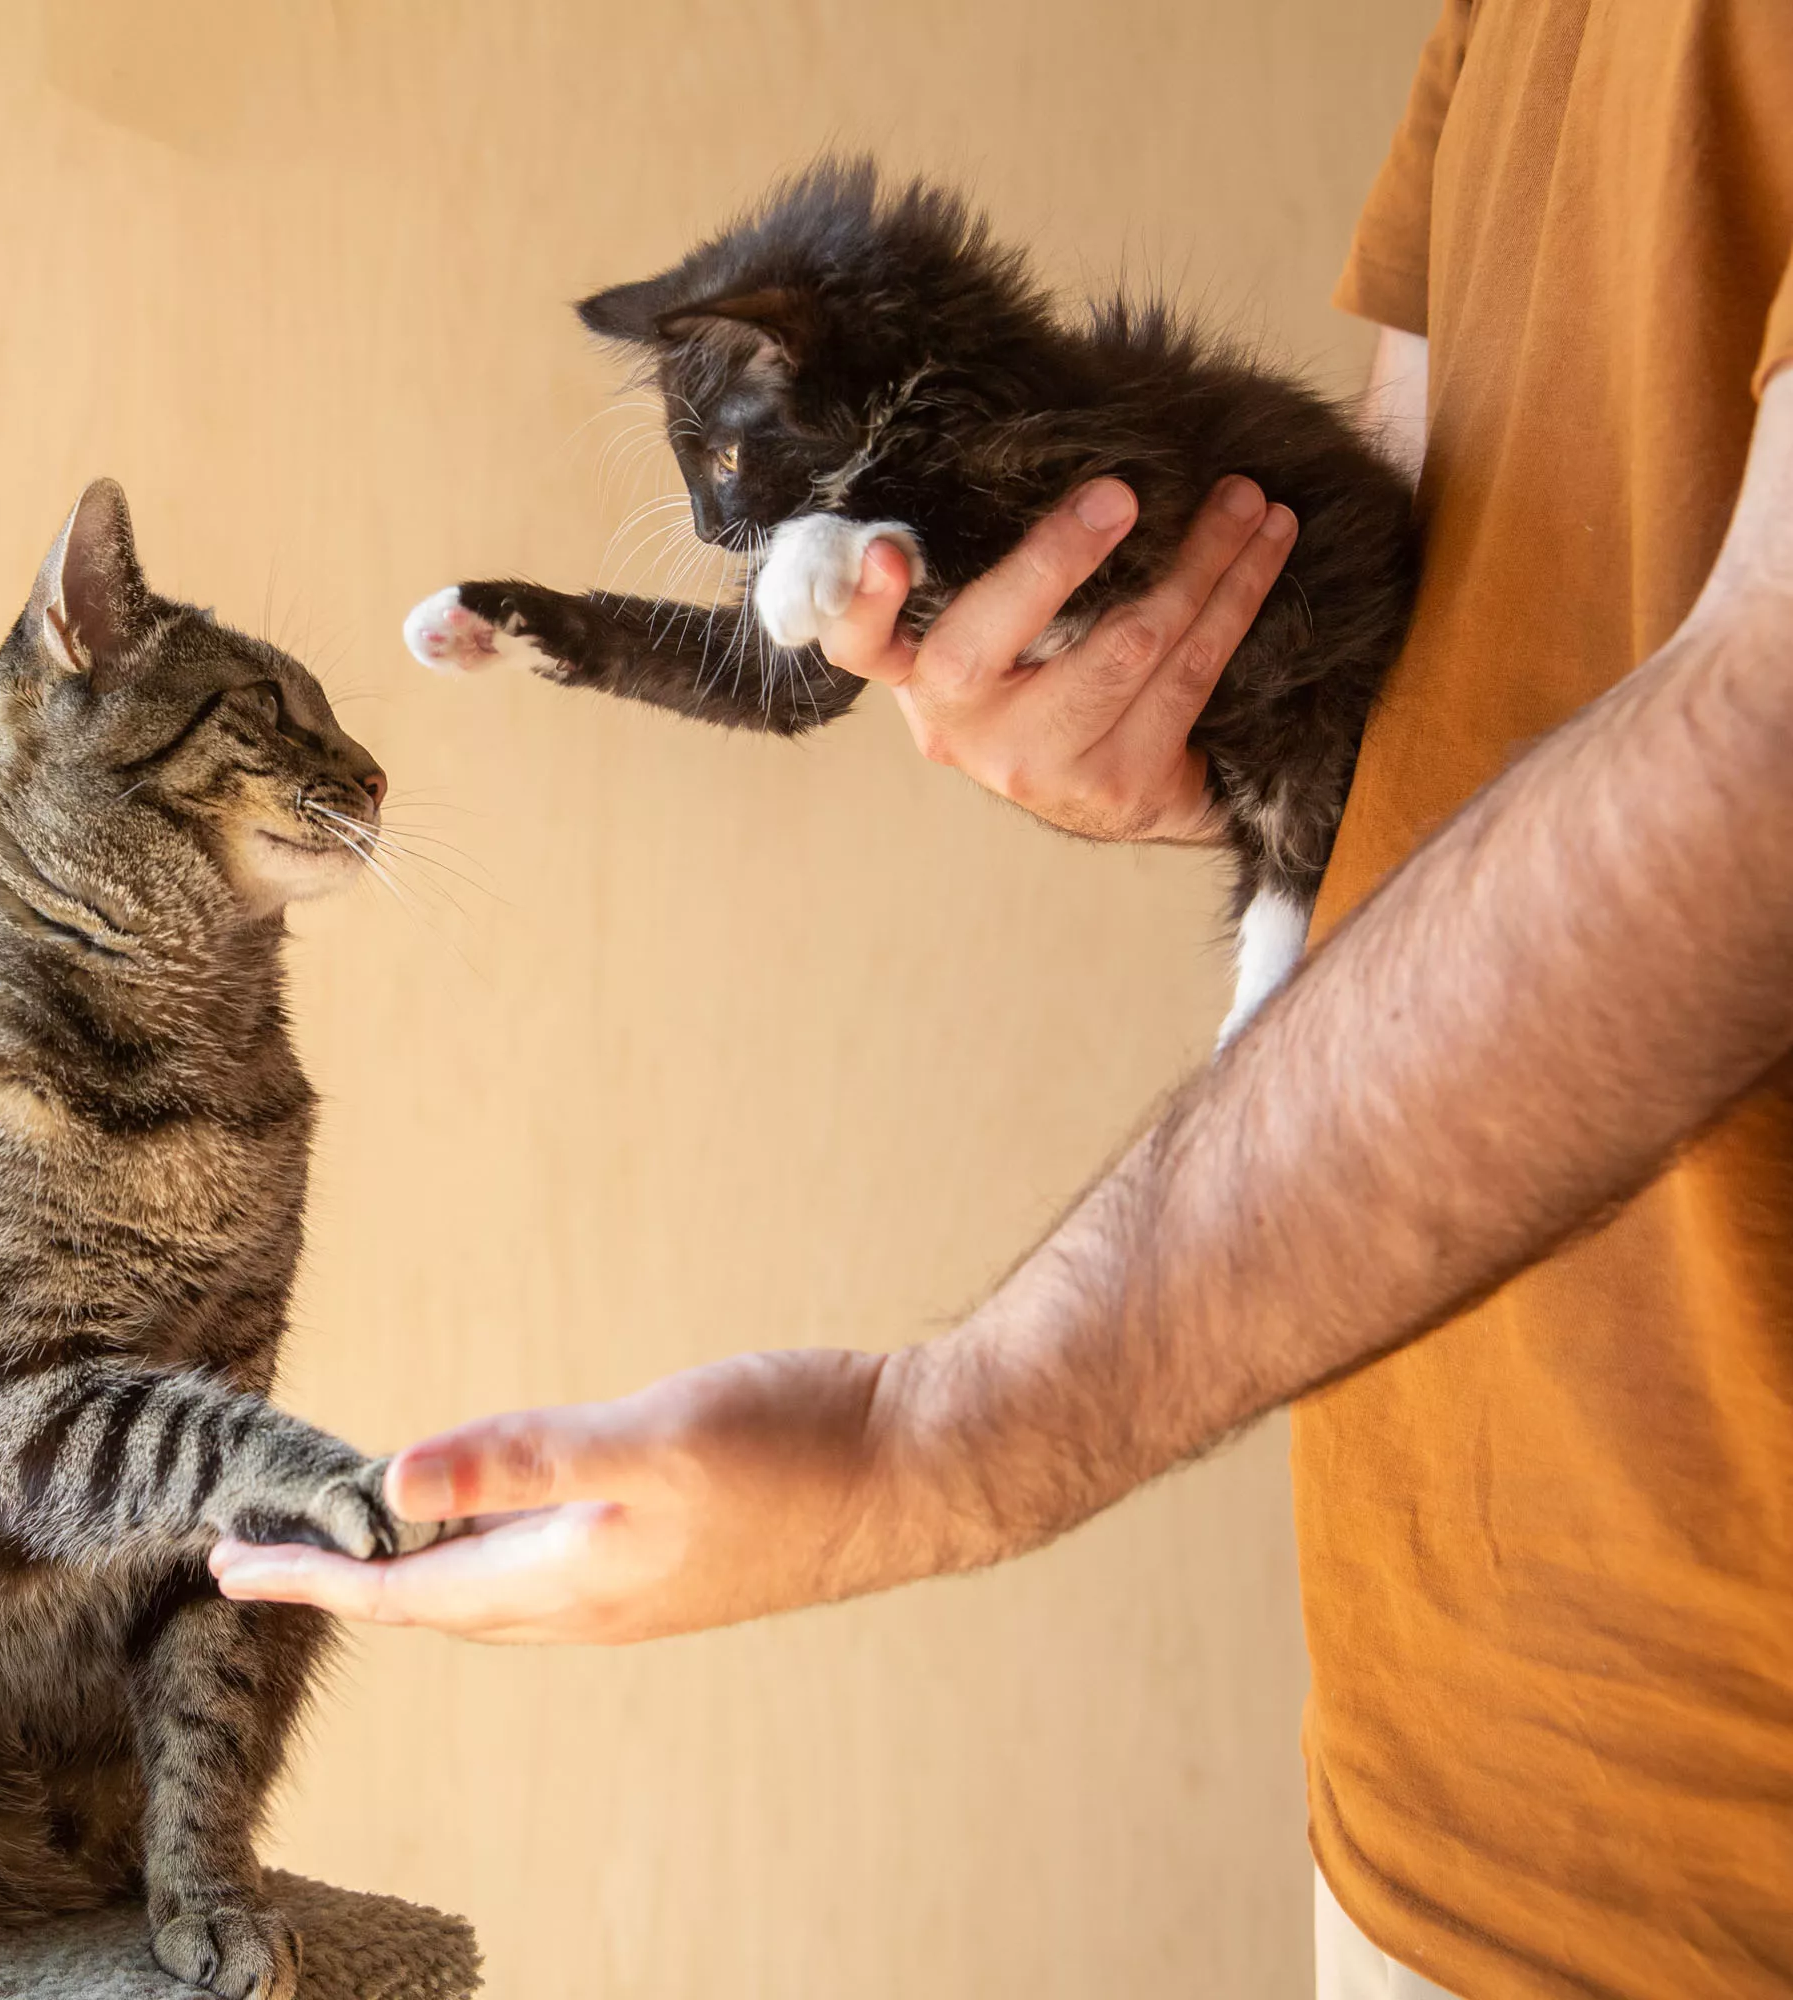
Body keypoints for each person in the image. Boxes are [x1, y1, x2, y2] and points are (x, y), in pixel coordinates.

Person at [213, 4, 1793, 1992]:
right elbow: (1439, 588)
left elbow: (1763, 761)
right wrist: (1173, 719)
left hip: (1733, 1798)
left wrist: (930, 1443)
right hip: (1439, 1748)